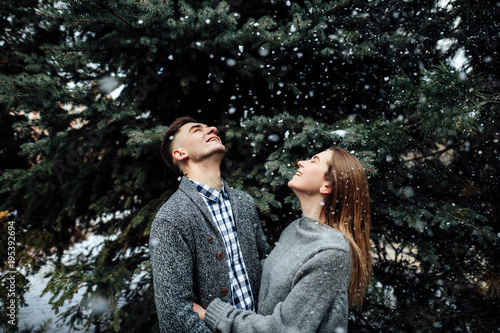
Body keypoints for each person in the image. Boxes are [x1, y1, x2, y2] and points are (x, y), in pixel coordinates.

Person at [193, 147, 372, 332]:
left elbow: (283, 328)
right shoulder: (294, 229)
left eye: (314, 161)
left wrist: (212, 314)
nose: (301, 162)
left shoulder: (330, 251)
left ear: (326, 186)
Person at [150, 116, 271, 333]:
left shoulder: (243, 202)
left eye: (209, 127)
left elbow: (266, 266)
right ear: (180, 153)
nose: (212, 128)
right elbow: (175, 313)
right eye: (197, 130)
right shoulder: (171, 219)